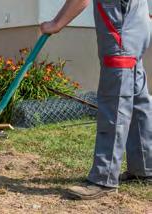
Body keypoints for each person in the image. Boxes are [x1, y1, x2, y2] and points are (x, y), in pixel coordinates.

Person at [40, 0, 152, 200]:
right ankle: (144, 168)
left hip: (120, 36)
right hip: (135, 28)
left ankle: (104, 178)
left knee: (114, 104)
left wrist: (56, 24)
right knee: (137, 100)